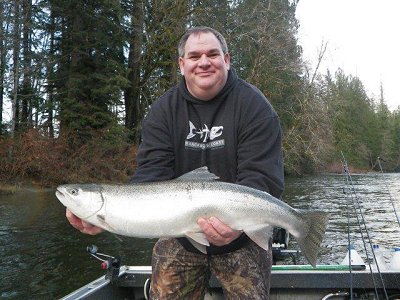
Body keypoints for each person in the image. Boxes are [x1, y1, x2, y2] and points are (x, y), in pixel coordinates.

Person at [66, 26, 284, 299]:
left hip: (242, 236)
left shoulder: (256, 108)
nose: (203, 62)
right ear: (182, 65)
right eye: (194, 56)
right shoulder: (162, 111)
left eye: (212, 54)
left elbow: (261, 177)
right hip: (178, 235)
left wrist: (236, 227)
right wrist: (106, 221)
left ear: (226, 60)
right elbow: (150, 176)